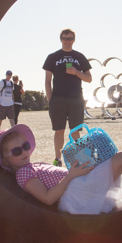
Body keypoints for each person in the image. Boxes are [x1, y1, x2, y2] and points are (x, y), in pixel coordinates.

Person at [43, 28, 92, 167]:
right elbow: (47, 81)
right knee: (59, 130)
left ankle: (82, 160)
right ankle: (57, 159)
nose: (67, 41)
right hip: (58, 99)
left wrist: (77, 72)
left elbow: (89, 78)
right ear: (61, 40)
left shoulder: (79, 56)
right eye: (65, 38)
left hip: (76, 99)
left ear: (74, 40)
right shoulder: (52, 57)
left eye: (70, 38)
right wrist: (50, 99)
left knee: (75, 130)